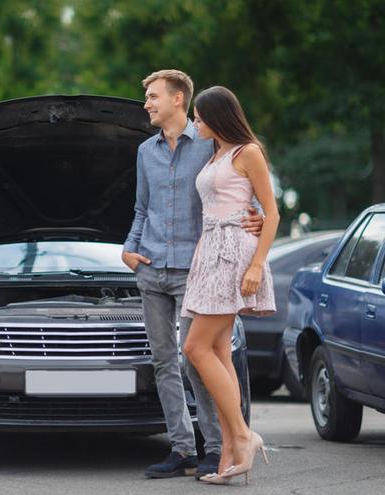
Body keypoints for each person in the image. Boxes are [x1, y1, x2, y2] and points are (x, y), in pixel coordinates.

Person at [122, 70, 263, 480]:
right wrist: (129, 248)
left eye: (152, 96)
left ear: (178, 98)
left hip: (197, 269)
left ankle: (217, 444)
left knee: (195, 360)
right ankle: (181, 449)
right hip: (150, 269)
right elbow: (141, 209)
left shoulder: (208, 143)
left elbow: (238, 189)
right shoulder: (144, 151)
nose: (146, 103)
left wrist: (252, 218)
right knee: (164, 361)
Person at [181, 86, 278, 485]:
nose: (196, 122)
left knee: (194, 348)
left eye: (200, 117)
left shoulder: (247, 152)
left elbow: (270, 214)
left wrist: (256, 265)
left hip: (234, 253)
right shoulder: (214, 153)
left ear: (219, 117)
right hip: (208, 253)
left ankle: (243, 434)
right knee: (218, 350)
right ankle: (230, 452)